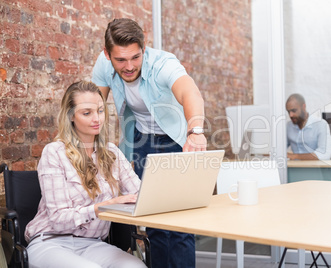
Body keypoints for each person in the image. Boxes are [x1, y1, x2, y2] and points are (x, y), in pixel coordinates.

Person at [91, 18, 207, 268]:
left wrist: (196, 131)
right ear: (107, 54)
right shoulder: (103, 64)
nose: (129, 66)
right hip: (141, 140)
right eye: (120, 60)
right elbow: (92, 105)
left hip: (176, 140)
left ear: (143, 49)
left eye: (135, 57)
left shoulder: (163, 63)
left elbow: (190, 92)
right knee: (153, 220)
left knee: (179, 224)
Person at [24, 81, 147, 268]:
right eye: (87, 113)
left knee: (135, 266)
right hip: (49, 242)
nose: (97, 118)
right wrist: (102, 207)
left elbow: (141, 194)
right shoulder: (55, 152)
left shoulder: (112, 153)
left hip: (93, 243)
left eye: (100, 110)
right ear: (71, 116)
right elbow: (58, 220)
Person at [286, 93, 331, 160]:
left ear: (303, 106)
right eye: (288, 111)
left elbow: (324, 154)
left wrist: (296, 156)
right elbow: (280, 149)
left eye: (293, 111)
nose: (291, 115)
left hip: (314, 169)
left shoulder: (321, 124)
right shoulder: (288, 126)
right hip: (294, 168)